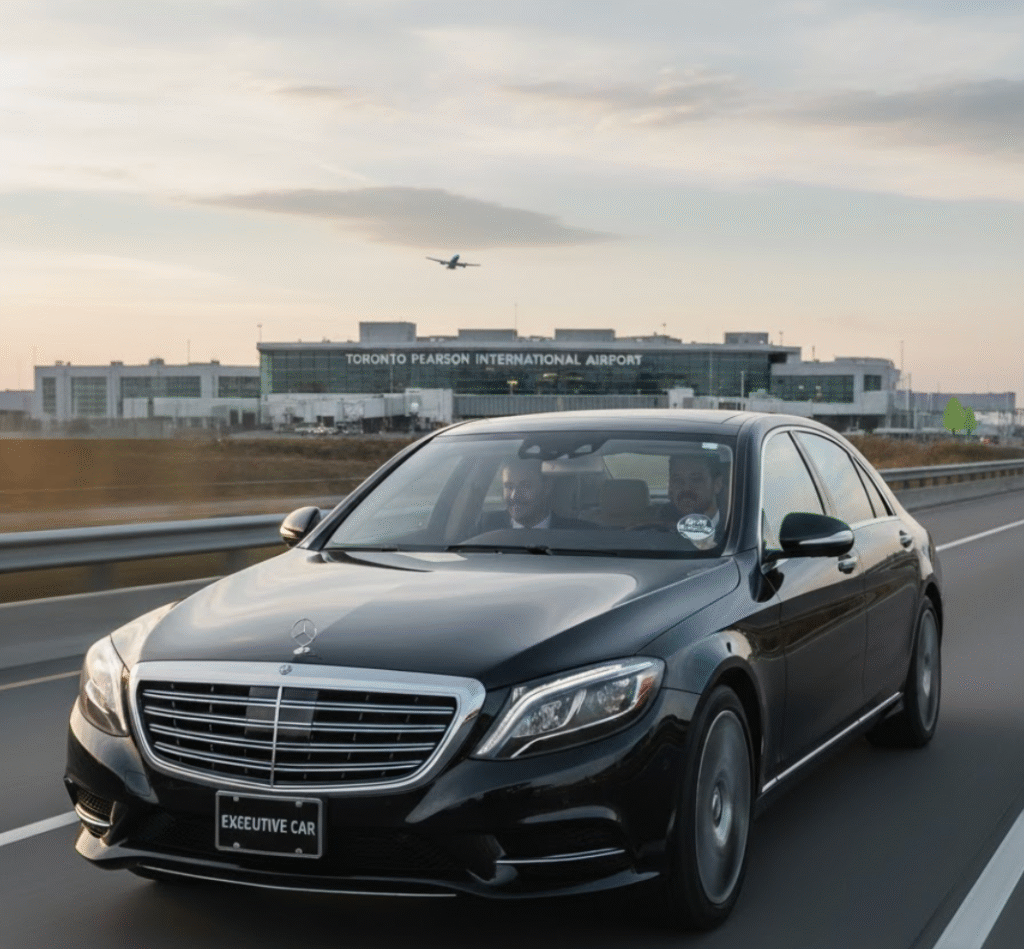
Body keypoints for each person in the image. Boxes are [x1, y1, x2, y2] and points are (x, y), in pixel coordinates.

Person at [482, 457, 590, 530]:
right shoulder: (484, 528)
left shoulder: (577, 533)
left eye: (525, 486)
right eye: (509, 486)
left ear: (547, 487)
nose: (514, 496)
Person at [656, 449, 727, 547]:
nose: (686, 488)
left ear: (717, 484)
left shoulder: (734, 527)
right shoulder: (658, 523)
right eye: (678, 480)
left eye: (696, 479)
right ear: (671, 485)